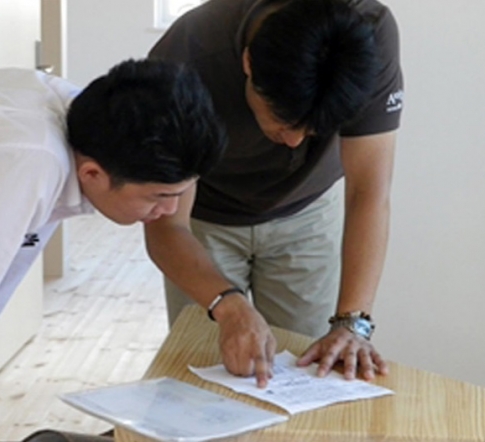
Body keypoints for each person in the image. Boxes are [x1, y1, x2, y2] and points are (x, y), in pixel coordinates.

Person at [0, 59, 226, 442]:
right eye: (159, 196)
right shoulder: (27, 160)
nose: (169, 211)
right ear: (92, 174)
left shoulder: (75, 121)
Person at [146, 0, 403, 387]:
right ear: (248, 63)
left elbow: (369, 191)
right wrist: (227, 305)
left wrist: (353, 323)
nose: (295, 141)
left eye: (313, 130)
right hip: (205, 218)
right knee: (204, 376)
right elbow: (166, 226)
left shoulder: (367, 36)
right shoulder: (186, 56)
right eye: (283, 122)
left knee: (307, 372)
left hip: (309, 213)